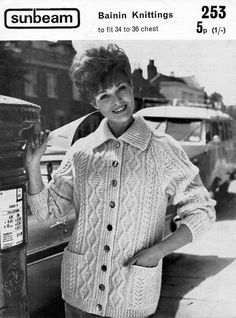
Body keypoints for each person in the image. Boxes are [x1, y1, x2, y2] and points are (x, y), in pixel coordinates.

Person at [25, 43, 216, 318]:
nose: (117, 101)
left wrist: (160, 250)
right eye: (104, 95)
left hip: (132, 294)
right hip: (79, 293)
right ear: (94, 103)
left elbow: (202, 210)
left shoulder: (163, 148)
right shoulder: (81, 152)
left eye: (121, 88)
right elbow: (47, 212)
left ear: (131, 86)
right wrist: (33, 167)